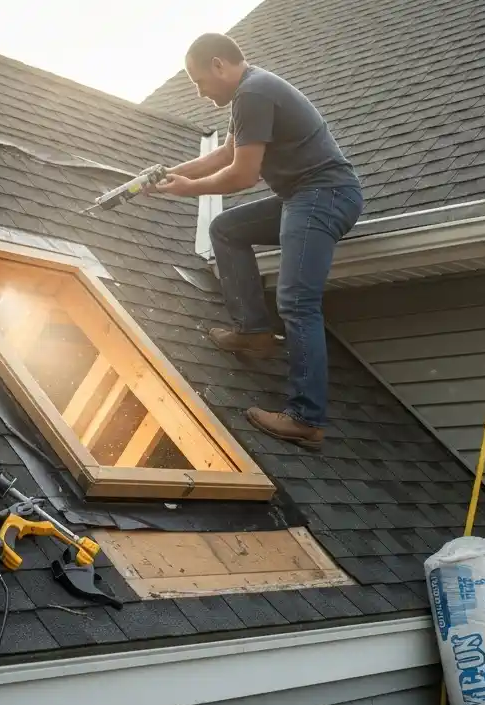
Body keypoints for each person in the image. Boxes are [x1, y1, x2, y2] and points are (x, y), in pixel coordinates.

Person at [155, 33, 363, 450]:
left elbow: (242, 175)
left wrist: (182, 190)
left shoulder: (254, 92)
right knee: (226, 229)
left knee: (296, 300)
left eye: (199, 81)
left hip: (325, 193)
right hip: (302, 196)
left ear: (219, 65)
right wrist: (165, 173)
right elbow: (223, 156)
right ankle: (253, 332)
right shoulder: (247, 95)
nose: (199, 92)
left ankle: (306, 418)